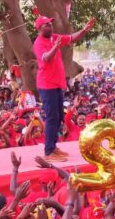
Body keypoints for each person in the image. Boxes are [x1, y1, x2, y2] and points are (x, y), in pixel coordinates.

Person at [32, 15, 95, 162]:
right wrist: (55, 46)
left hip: (57, 84)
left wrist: (84, 30)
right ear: (40, 28)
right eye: (47, 24)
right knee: (52, 117)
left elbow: (71, 38)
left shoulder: (54, 37)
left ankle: (53, 147)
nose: (50, 26)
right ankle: (48, 152)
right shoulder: (39, 43)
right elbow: (46, 58)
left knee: (59, 116)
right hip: (47, 85)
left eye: (50, 24)